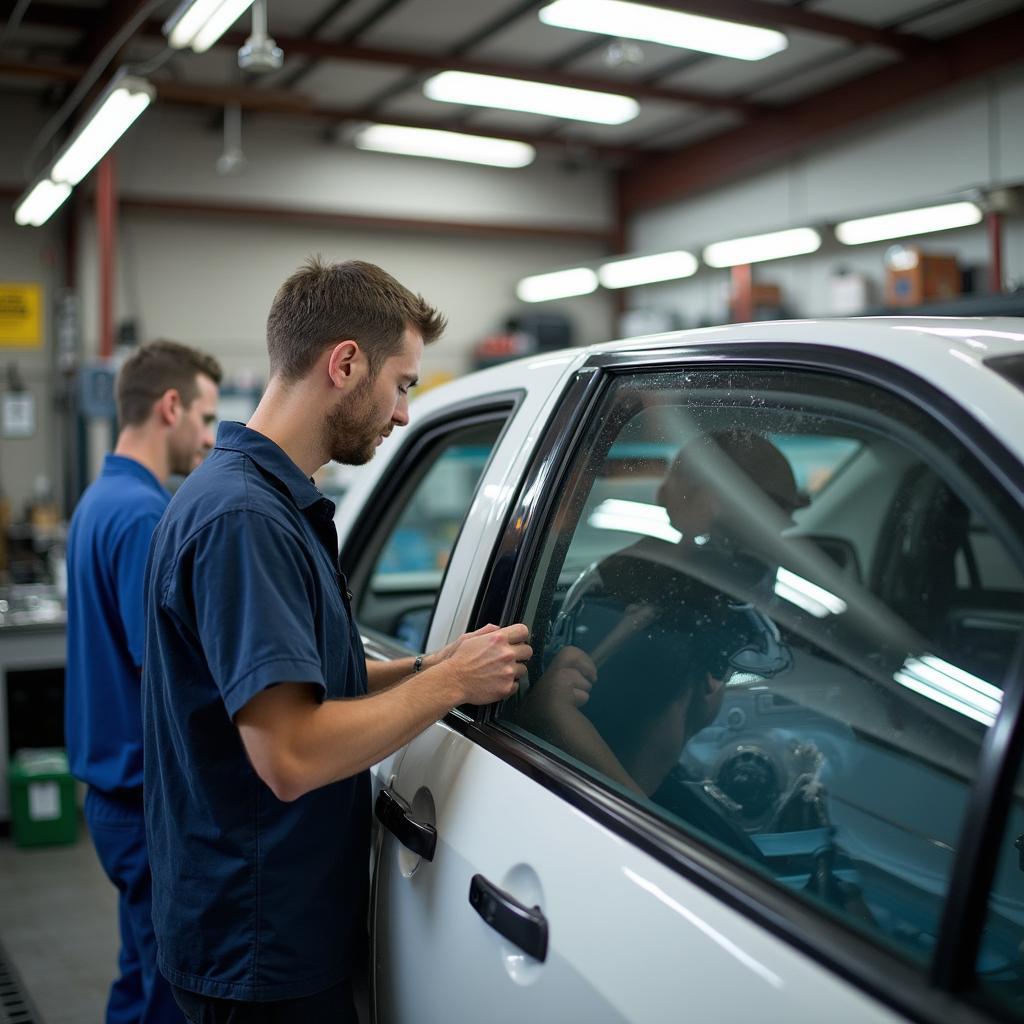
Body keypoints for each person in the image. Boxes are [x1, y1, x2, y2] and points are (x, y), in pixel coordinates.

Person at [142, 257, 531, 1023]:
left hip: (255, 925)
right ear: (345, 362)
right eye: (403, 383)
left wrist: (430, 664)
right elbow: (291, 755)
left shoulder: (248, 498)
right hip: (259, 947)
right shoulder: (246, 522)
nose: (402, 414)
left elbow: (316, 681)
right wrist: (448, 687)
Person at [65, 340, 222, 1024]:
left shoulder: (99, 499)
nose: (210, 438)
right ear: (170, 407)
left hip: (109, 791)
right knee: (166, 993)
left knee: (141, 974)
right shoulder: (142, 516)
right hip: (141, 799)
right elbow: (162, 660)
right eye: (207, 416)